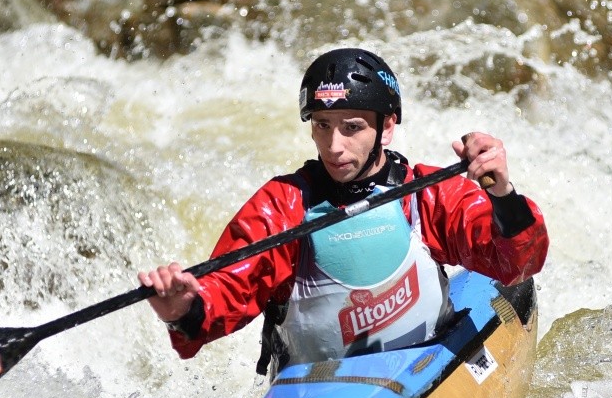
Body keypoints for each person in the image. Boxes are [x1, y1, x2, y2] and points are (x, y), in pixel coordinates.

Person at [139, 47, 548, 374]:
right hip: (316, 396)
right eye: (322, 125)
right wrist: (183, 311)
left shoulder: (426, 194)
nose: (334, 146)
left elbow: (519, 262)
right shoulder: (283, 205)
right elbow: (227, 289)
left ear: (387, 127)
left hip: (421, 373)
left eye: (352, 127)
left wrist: (502, 193)